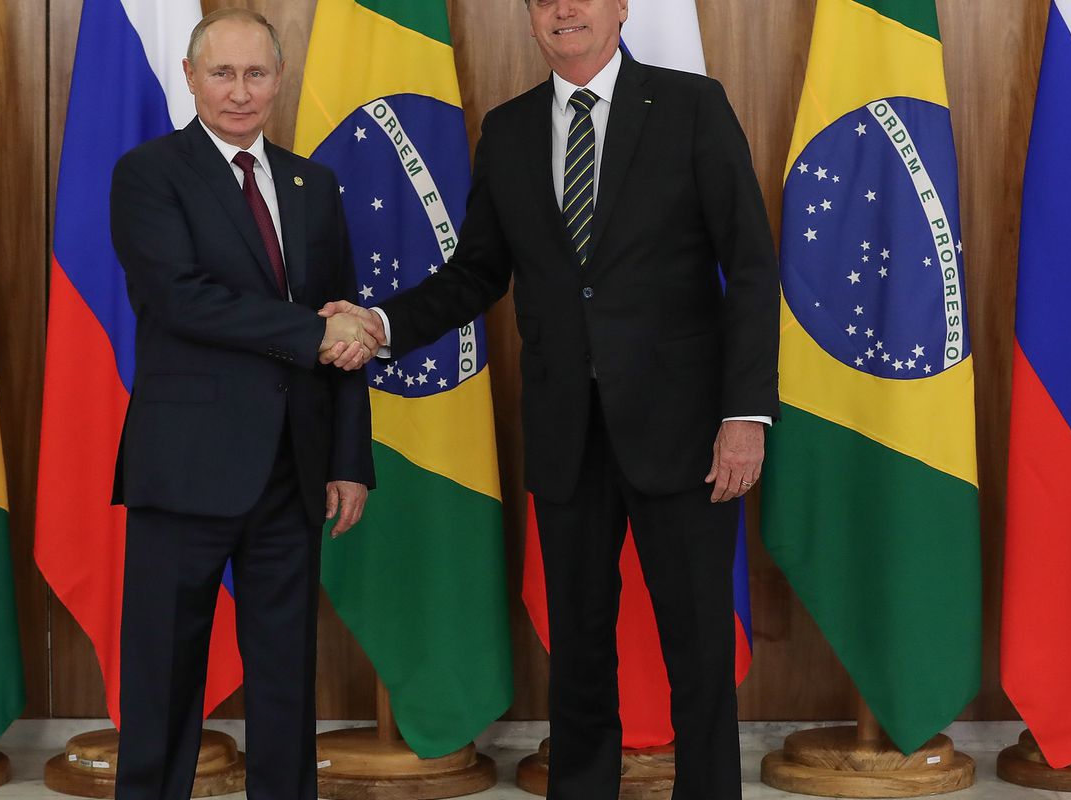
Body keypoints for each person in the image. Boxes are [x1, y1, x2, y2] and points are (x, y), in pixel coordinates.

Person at [321, 0, 778, 797]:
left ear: (620, 8)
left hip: (684, 430)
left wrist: (745, 415)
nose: (565, 8)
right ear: (533, 19)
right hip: (567, 430)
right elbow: (476, 273)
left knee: (699, 650)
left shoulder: (691, 106)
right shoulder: (508, 130)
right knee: (579, 648)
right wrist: (381, 323)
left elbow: (749, 265)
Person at [107, 10, 376, 800]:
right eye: (222, 73)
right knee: (163, 681)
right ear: (191, 77)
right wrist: (313, 332)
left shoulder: (313, 184)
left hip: (291, 471)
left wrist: (348, 459)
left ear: (278, 79)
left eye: (256, 73)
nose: (239, 91)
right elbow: (182, 299)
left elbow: (343, 315)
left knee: (287, 684)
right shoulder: (149, 174)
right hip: (184, 469)